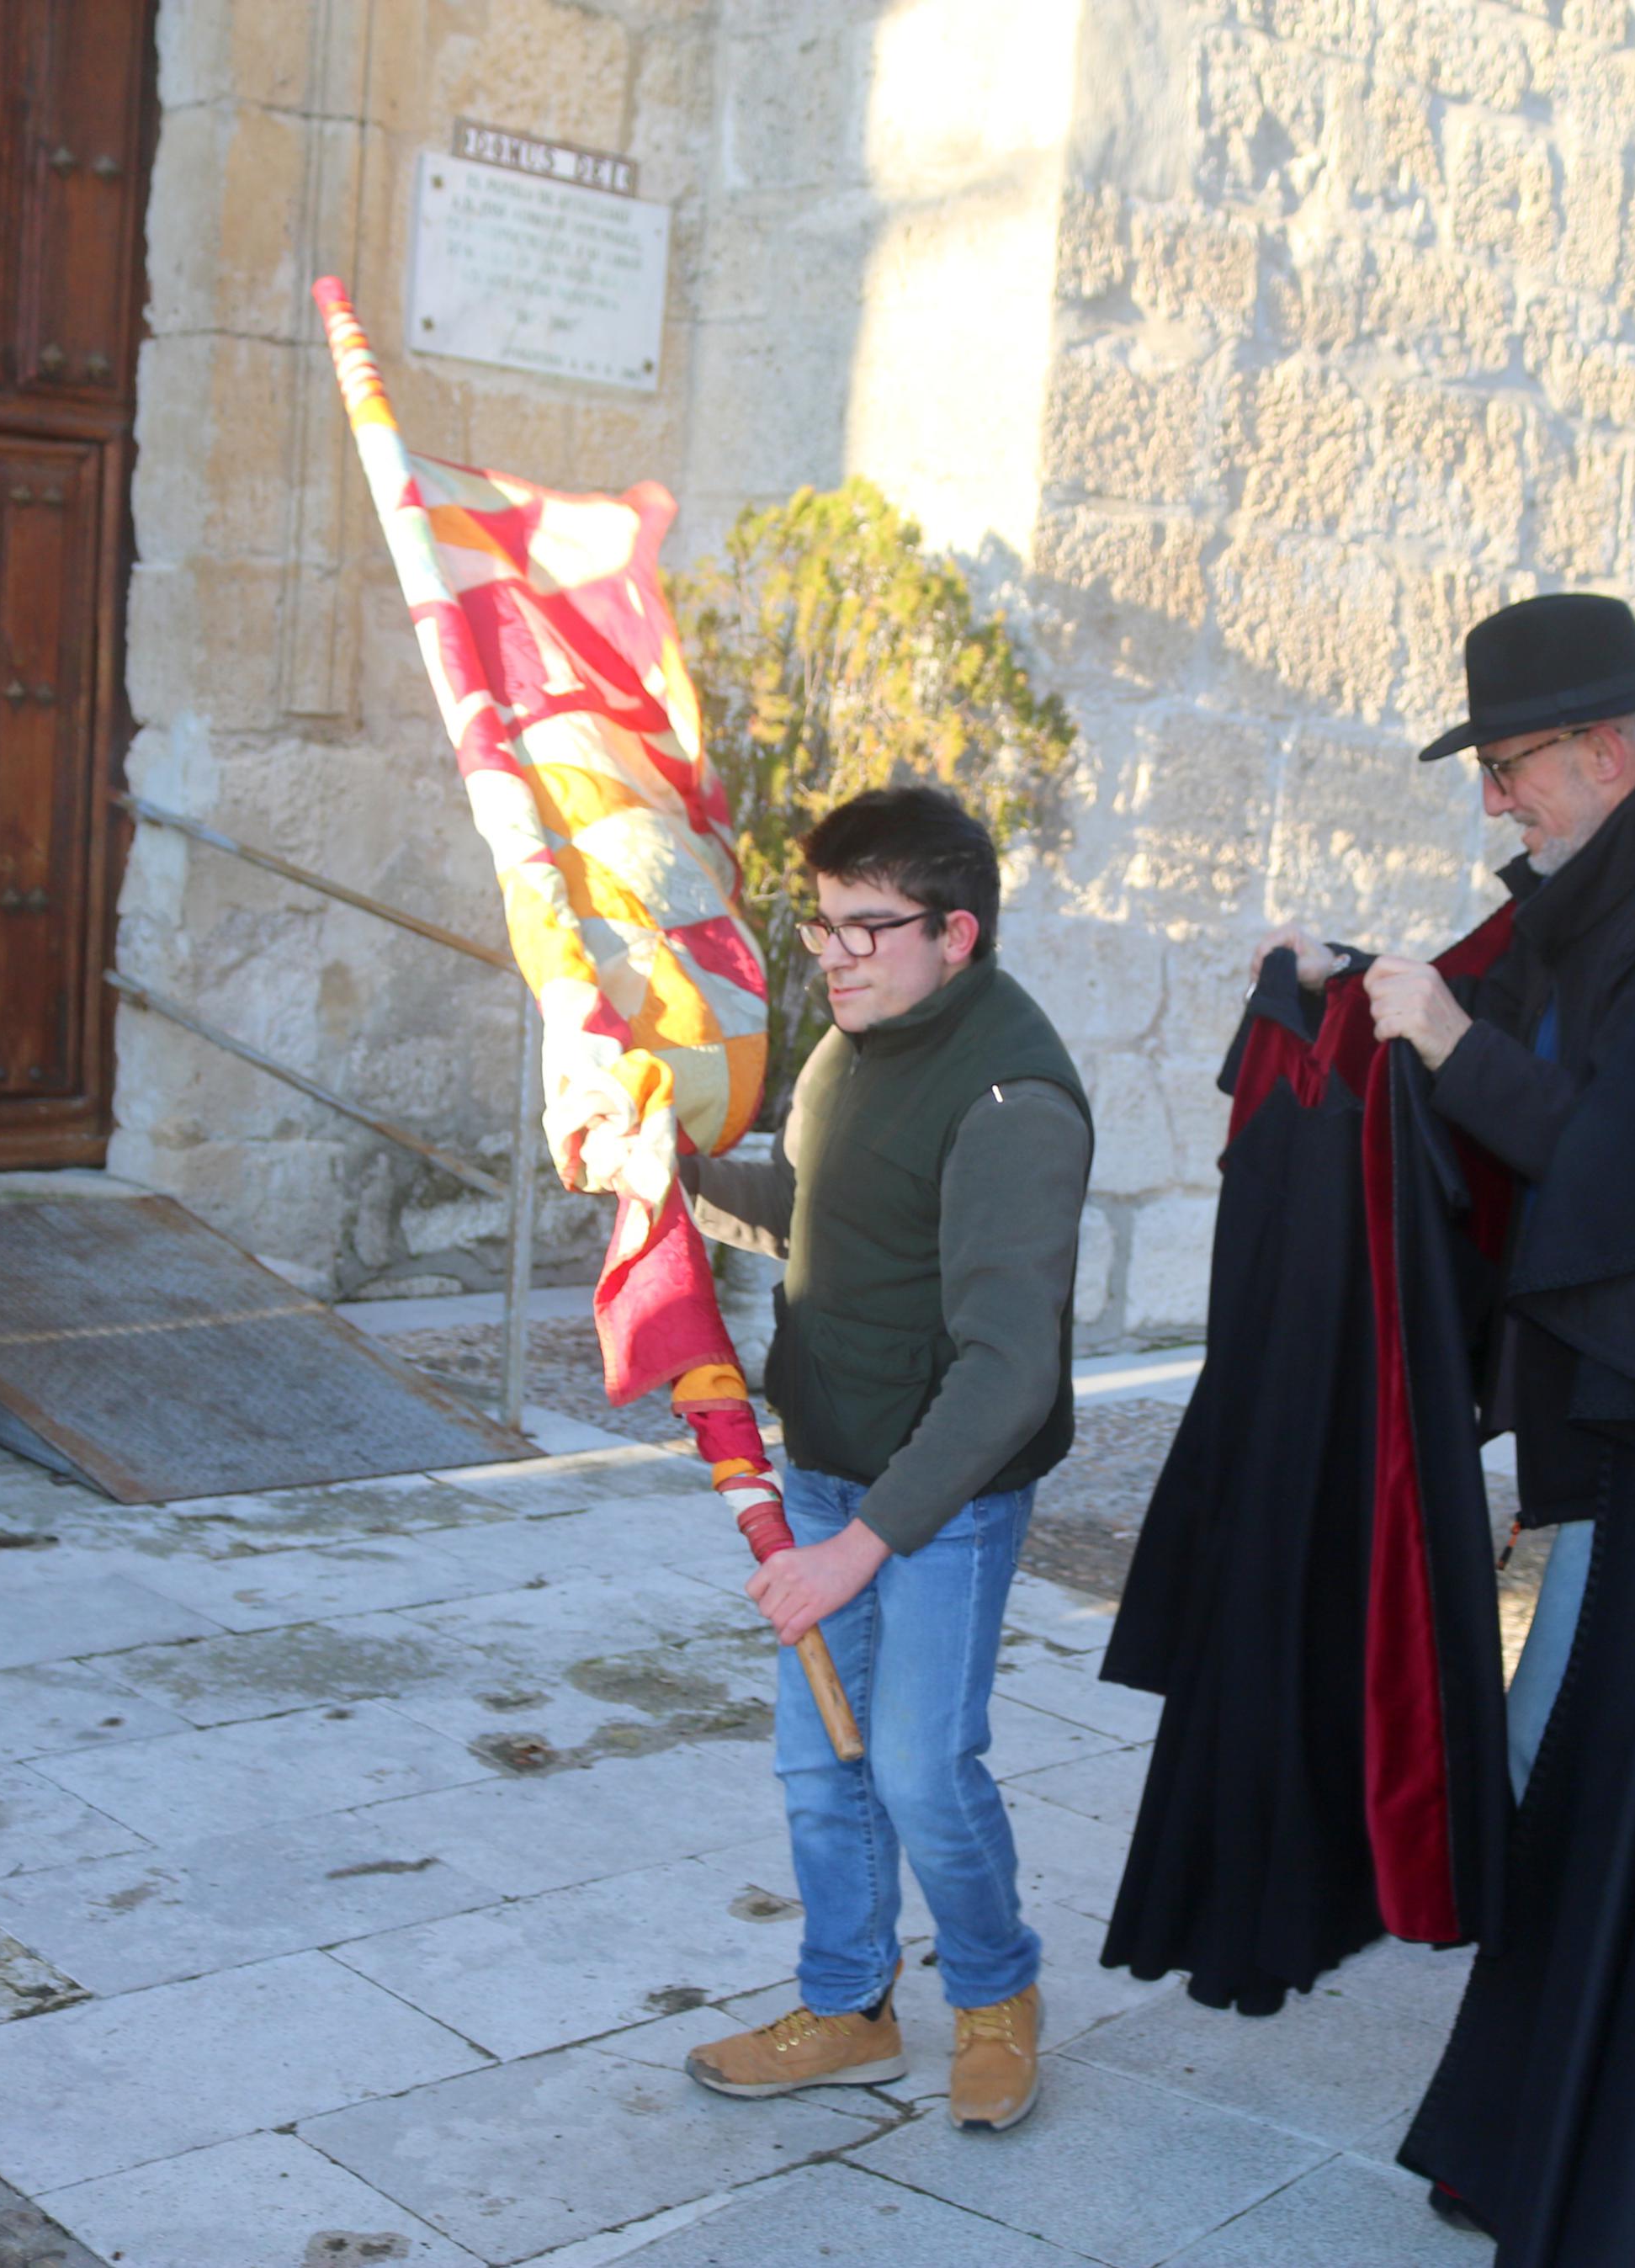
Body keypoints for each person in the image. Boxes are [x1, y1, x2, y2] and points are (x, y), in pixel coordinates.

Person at [1127, 593, 1635, 2260]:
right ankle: (1551, 2135)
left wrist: (1440, 1043)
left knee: (1630, 1788)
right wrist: (1347, 1001)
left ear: (1597, 747)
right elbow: (1549, 1073)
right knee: (1608, 1792)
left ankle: (1607, 2158)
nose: (1493, 802)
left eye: (1507, 767)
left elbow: (1630, 1192)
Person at [590, 786, 1090, 2134]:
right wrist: (673, 1177)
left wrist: (855, 1551)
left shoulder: (1012, 1100)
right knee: (823, 1768)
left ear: (958, 931)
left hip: (940, 1500)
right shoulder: (847, 1050)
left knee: (921, 1767)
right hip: (820, 1468)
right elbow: (820, 1217)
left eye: (870, 927)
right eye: (823, 925)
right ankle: (851, 2007)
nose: (836, 954)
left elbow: (1007, 1371)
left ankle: (993, 1992)